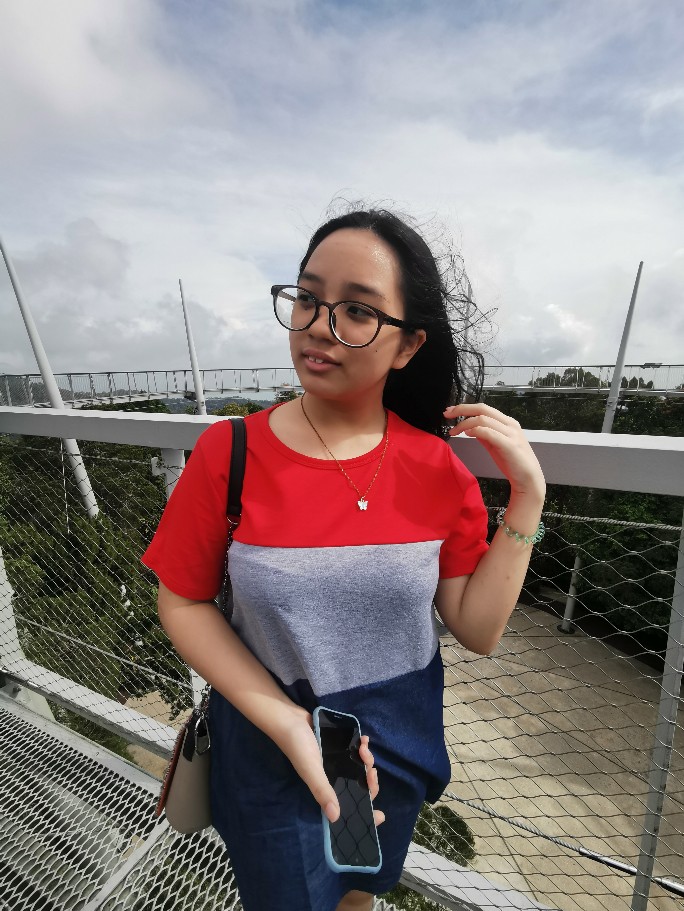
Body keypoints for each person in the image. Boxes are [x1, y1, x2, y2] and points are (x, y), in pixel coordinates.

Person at [141, 208, 546, 911]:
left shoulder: (437, 470)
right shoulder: (230, 453)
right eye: (307, 298)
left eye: (358, 309)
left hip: (389, 750)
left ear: (408, 345)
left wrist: (529, 498)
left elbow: (477, 628)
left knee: (358, 890)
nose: (319, 326)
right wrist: (288, 724)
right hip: (273, 745)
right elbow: (182, 599)